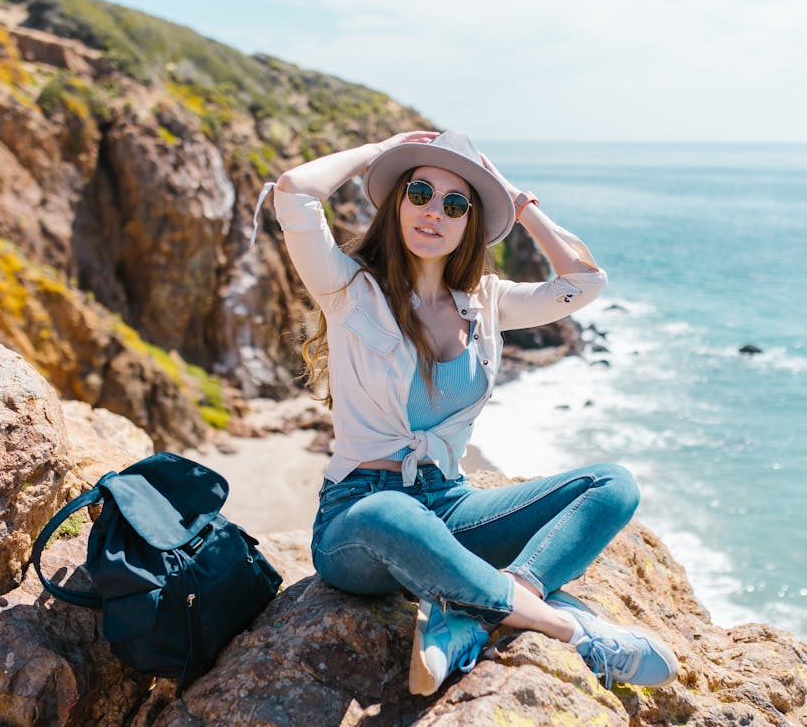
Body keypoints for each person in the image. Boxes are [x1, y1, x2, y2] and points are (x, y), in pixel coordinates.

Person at [259, 130, 679, 696]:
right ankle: (569, 630)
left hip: (449, 505)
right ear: (398, 203)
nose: (434, 211)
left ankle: (479, 610)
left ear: (469, 224)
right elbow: (293, 192)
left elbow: (583, 282)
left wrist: (515, 200)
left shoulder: (486, 301)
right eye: (420, 193)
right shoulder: (348, 287)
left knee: (613, 484)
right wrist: (381, 152)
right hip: (358, 518)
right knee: (390, 512)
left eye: (455, 204)